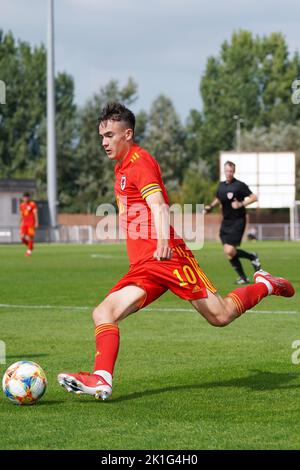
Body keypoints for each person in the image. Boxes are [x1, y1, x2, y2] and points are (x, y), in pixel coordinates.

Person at [58, 103, 295, 401]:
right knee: (103, 312)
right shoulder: (121, 167)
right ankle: (101, 379)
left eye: (109, 135)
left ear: (127, 134)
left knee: (219, 316)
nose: (104, 142)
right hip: (145, 266)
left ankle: (265, 284)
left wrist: (162, 241)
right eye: (101, 136)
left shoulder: (139, 161)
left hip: (168, 258)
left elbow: (158, 203)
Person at [205, 161, 261, 285]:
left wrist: (241, 204)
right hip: (226, 222)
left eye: (231, 171)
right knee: (229, 253)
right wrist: (209, 207)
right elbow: (219, 198)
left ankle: (252, 257)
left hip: (238, 221)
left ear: (234, 171)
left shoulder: (239, 185)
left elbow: (254, 197)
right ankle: (244, 277)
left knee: (230, 250)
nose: (228, 173)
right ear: (224, 171)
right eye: (226, 171)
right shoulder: (221, 185)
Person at [19, 192, 39, 257]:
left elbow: (35, 213)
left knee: (30, 237)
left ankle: (29, 251)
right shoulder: (21, 205)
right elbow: (21, 214)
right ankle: (30, 246)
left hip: (31, 223)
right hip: (24, 223)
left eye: (27, 197)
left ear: (28, 197)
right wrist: (20, 222)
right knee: (22, 238)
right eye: (24, 197)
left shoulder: (32, 204)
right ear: (23, 198)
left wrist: (36, 222)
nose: (25, 198)